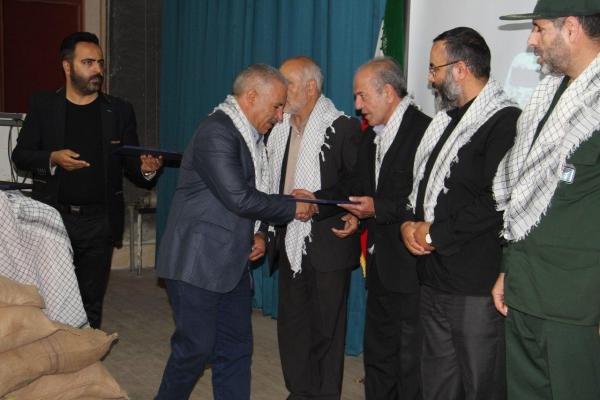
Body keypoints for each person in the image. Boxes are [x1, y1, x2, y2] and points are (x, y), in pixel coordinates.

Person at [154, 63, 315, 400]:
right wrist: (292, 206)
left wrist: (260, 234)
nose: (280, 115)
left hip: (232, 263)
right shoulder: (217, 131)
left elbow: (247, 200)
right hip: (196, 263)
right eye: (276, 106)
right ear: (251, 96)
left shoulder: (250, 138)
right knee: (195, 349)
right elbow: (239, 198)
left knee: (236, 351)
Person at [11, 31, 163, 329]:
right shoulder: (44, 105)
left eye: (100, 63)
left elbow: (132, 165)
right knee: (51, 299)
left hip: (99, 222)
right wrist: (53, 157)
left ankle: (87, 351)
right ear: (67, 66)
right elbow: (21, 155)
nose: (97, 70)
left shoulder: (118, 110)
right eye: (88, 63)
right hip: (54, 218)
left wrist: (146, 169)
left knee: (90, 301)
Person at [400, 27, 520, 400]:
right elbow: (420, 187)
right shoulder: (444, 122)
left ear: (461, 69)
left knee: (481, 387)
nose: (430, 79)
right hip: (433, 278)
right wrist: (408, 225)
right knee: (437, 387)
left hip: (474, 287)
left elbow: (494, 201)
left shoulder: (505, 121)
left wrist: (433, 234)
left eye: (434, 69)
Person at [492, 2, 600, 399]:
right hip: (526, 290)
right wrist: (509, 270)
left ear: (570, 28)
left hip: (577, 304)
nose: (531, 39)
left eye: (539, 29)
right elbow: (526, 194)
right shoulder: (549, 96)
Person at [263, 56, 361, 400]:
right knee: (292, 327)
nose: (281, 90)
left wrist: (316, 202)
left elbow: (356, 183)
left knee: (326, 330)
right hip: (287, 239)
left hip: (327, 242)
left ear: (310, 87)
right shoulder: (277, 127)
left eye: (287, 83)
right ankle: (300, 392)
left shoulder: (342, 127)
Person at [339, 57, 431, 400]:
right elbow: (358, 186)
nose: (357, 105)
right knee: (378, 357)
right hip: (378, 268)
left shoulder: (425, 131)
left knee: (410, 364)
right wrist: (342, 210)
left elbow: (425, 200)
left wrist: (377, 208)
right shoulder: (371, 137)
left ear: (388, 92)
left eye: (362, 96)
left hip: (411, 270)